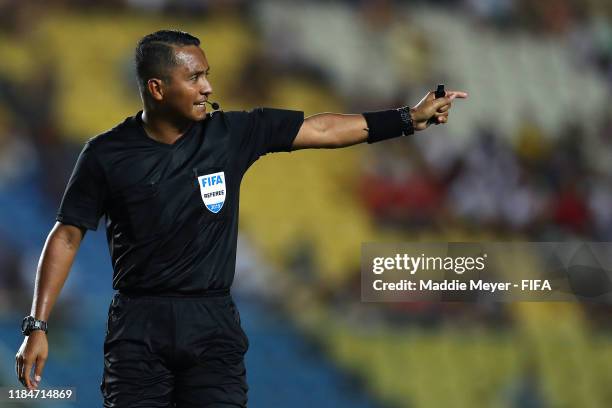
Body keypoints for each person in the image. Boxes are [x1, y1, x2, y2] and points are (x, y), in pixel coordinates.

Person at [15, 30, 467, 407]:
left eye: (207, 75)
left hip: (212, 321)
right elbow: (67, 235)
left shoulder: (230, 133)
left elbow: (323, 129)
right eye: (194, 77)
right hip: (139, 324)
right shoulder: (106, 154)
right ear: (157, 88)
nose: (208, 87)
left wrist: (408, 118)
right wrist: (37, 325)